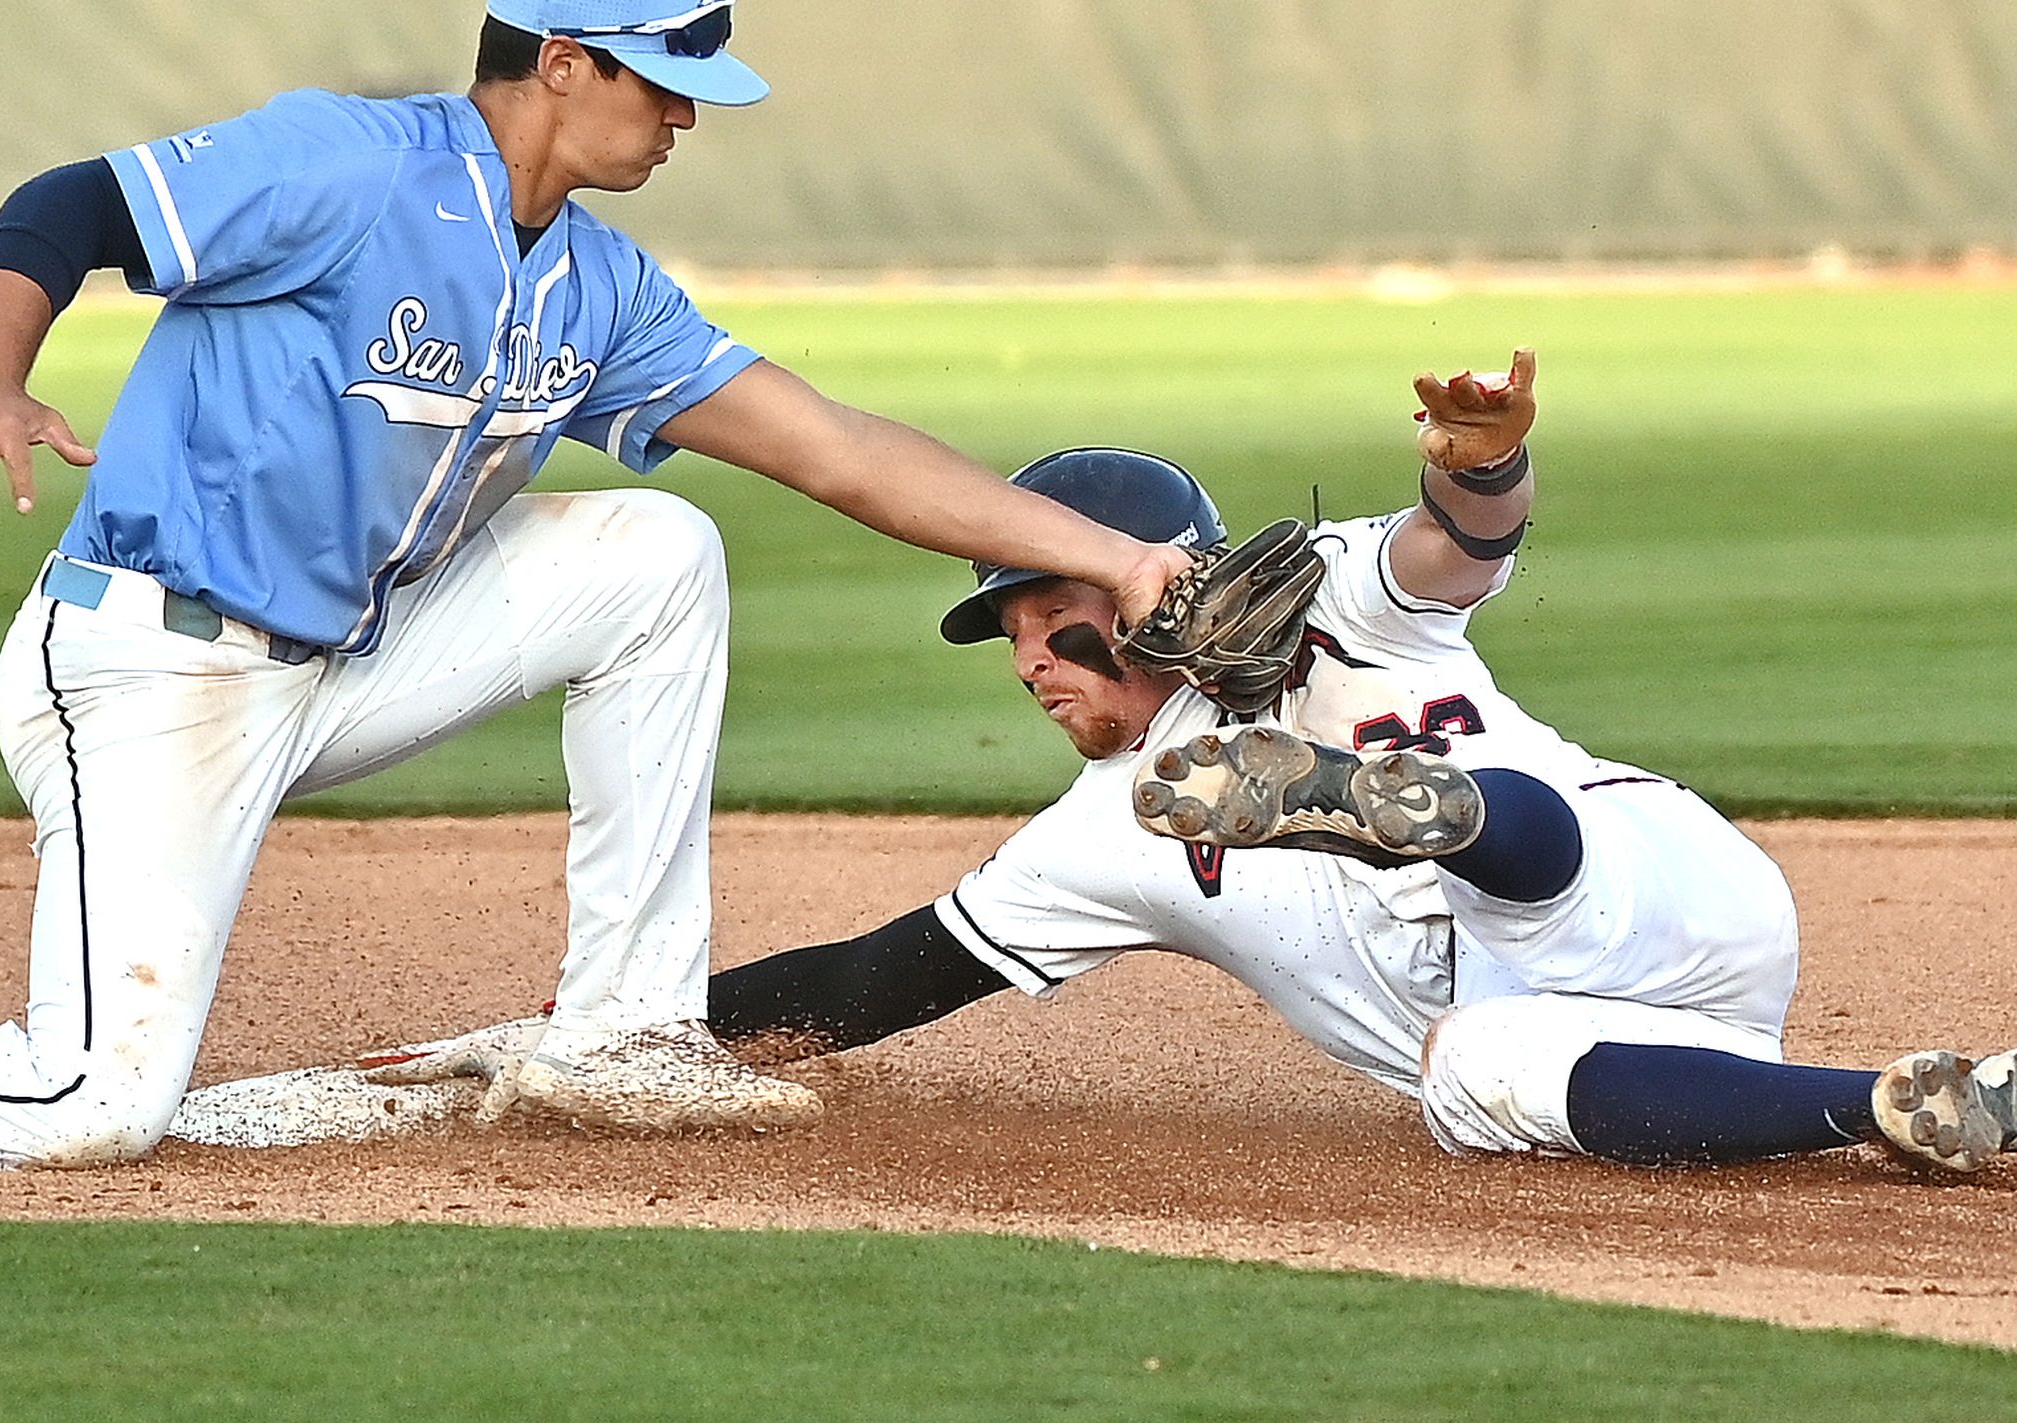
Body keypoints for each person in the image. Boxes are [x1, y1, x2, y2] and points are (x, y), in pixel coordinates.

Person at [0, 0, 1193, 1171]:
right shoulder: (347, 164)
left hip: (349, 663)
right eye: (665, 84)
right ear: (561, 61)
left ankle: (620, 1029)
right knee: (88, 1099)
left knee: (657, 557)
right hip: (153, 667)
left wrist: (1115, 562)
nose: (686, 119)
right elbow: (66, 206)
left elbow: (834, 451)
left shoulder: (597, 285)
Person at [339, 356, 2017, 1176]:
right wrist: (607, 1028)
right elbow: (876, 979)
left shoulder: (1341, 602)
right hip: (1631, 1042)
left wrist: (1488, 466)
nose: (1029, 665)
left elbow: (1455, 545)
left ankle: (1379, 807)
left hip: (1658, 878)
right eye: (1005, 641)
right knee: (1471, 1070)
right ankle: (1907, 1104)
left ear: (1146, 573)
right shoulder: (1100, 837)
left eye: (1047, 617)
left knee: (1516, 864)